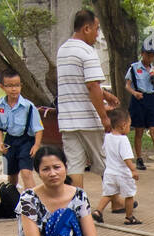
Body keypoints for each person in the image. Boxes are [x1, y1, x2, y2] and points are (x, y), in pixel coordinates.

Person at [56, 9, 120, 187]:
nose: (97, 34)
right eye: (96, 29)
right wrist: (104, 117)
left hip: (67, 119)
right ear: (86, 28)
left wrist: (106, 95)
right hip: (88, 120)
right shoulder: (87, 52)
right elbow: (92, 85)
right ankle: (116, 201)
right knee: (105, 161)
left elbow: (81, 82)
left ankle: (78, 206)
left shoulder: (63, 50)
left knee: (75, 165)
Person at [0, 68, 43, 191]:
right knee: (12, 174)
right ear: (2, 87)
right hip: (9, 142)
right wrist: (0, 143)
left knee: (26, 173)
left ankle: (32, 201)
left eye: (16, 85)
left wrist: (36, 145)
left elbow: (38, 129)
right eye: (9, 86)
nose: (13, 89)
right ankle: (13, 199)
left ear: (21, 86)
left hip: (26, 142)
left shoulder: (28, 107)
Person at [126, 39, 154, 172]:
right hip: (138, 100)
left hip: (151, 100)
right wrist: (134, 93)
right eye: (148, 54)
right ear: (142, 54)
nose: (150, 57)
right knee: (139, 131)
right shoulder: (134, 68)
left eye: (152, 55)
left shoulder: (153, 69)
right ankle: (139, 158)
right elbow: (127, 86)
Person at [100, 107, 141, 225]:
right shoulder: (123, 140)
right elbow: (126, 157)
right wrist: (133, 170)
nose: (129, 128)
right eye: (129, 125)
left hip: (109, 172)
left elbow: (103, 151)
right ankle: (129, 216)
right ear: (123, 125)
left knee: (108, 194)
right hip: (122, 173)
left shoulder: (107, 137)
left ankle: (98, 211)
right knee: (129, 195)